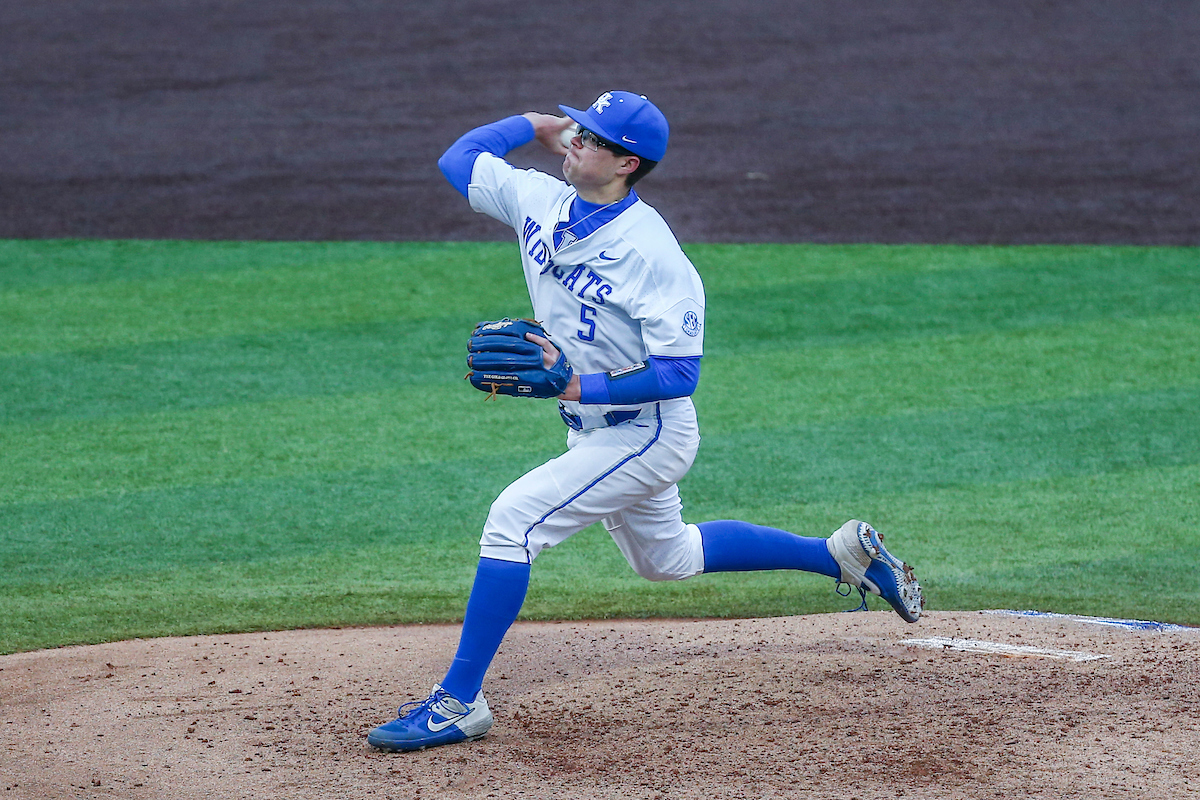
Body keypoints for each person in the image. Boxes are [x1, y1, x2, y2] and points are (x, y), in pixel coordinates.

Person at [366, 91, 924, 752]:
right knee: (670, 558)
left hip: (649, 433)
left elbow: (679, 372)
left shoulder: (654, 255)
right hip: (592, 429)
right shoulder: (539, 201)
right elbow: (459, 157)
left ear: (626, 163)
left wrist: (572, 382)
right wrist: (533, 125)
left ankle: (458, 701)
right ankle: (841, 555)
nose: (577, 140)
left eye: (594, 138)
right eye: (578, 128)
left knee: (513, 522)